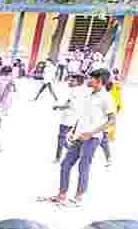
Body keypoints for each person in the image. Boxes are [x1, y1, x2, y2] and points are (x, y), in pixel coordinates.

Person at [49, 69, 116, 208]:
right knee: (65, 164)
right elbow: (83, 116)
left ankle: (78, 198)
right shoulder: (89, 95)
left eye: (91, 79)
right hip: (79, 135)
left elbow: (112, 120)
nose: (88, 81)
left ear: (99, 81)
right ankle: (61, 194)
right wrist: (73, 131)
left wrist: (91, 133)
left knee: (83, 167)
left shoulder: (106, 98)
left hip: (92, 138)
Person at [52, 74, 84, 162]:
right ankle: (71, 150)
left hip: (69, 118)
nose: (70, 82)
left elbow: (69, 105)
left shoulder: (75, 92)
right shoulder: (78, 91)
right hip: (71, 117)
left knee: (61, 137)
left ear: (78, 83)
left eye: (72, 81)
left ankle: (58, 157)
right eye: (70, 80)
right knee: (63, 137)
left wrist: (58, 107)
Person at [0, 66, 16, 130]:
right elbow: (12, 88)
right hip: (4, 97)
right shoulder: (10, 79)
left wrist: (0, 96)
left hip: (2, 97)